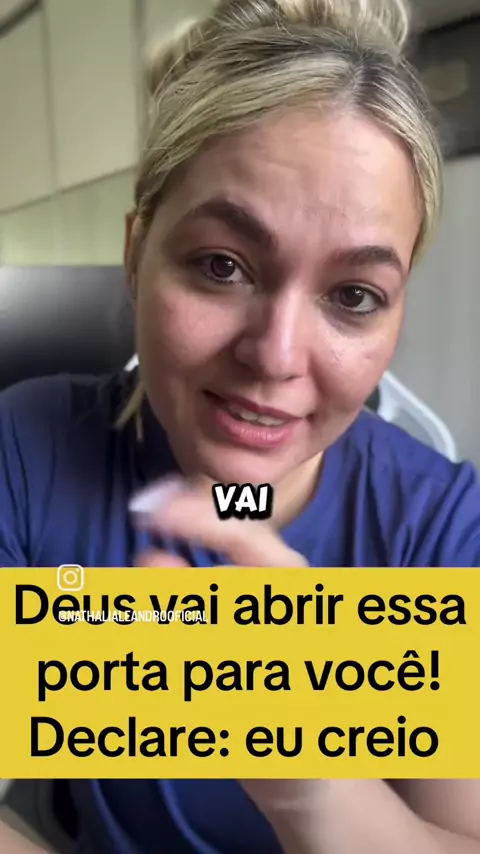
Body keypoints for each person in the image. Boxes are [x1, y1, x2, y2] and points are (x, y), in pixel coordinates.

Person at [1, 0, 480, 851]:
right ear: (135, 254)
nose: (275, 356)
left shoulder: (441, 533)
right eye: (221, 266)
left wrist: (312, 785)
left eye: (354, 295)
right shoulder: (27, 453)